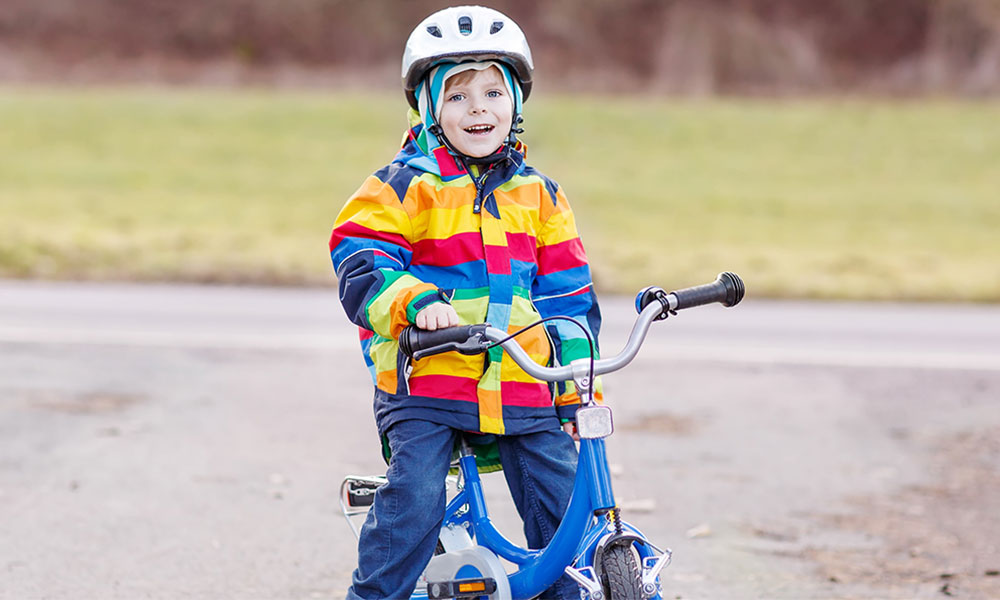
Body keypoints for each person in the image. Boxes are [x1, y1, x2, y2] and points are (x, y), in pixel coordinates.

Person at [328, 6, 602, 599]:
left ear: (516, 104)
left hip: (521, 378)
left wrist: (578, 382)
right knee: (415, 502)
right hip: (428, 377)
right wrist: (414, 300)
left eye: (491, 92)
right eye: (456, 96)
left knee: (564, 509)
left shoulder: (540, 195)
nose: (478, 109)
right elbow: (361, 258)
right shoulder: (403, 185)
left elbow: (569, 297)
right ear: (426, 107)